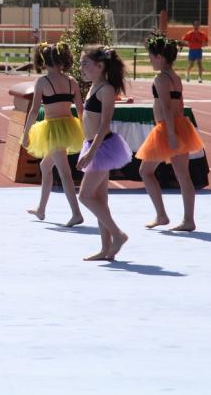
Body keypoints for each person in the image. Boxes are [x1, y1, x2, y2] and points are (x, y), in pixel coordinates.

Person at [137, 35, 204, 232]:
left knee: (145, 172)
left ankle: (162, 215)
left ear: (159, 57)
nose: (149, 60)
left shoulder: (160, 78)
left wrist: (172, 135)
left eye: (151, 57)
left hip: (167, 129)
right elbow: (180, 106)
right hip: (179, 126)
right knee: (183, 176)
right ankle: (187, 219)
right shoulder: (175, 77)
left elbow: (166, 107)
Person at [75, 47, 132, 261]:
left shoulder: (106, 90)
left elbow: (104, 125)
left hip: (102, 147)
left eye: (85, 64)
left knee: (85, 196)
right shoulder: (93, 87)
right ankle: (106, 247)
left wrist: (91, 153)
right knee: (100, 199)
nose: (82, 68)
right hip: (93, 145)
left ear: (100, 67)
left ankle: (118, 235)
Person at [22, 41, 85, 225]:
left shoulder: (42, 81)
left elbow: (34, 111)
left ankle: (76, 213)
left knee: (65, 172)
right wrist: (85, 129)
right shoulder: (71, 80)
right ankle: (41, 209)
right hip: (69, 127)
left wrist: (26, 134)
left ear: (43, 60)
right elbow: (81, 110)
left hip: (53, 129)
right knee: (45, 166)